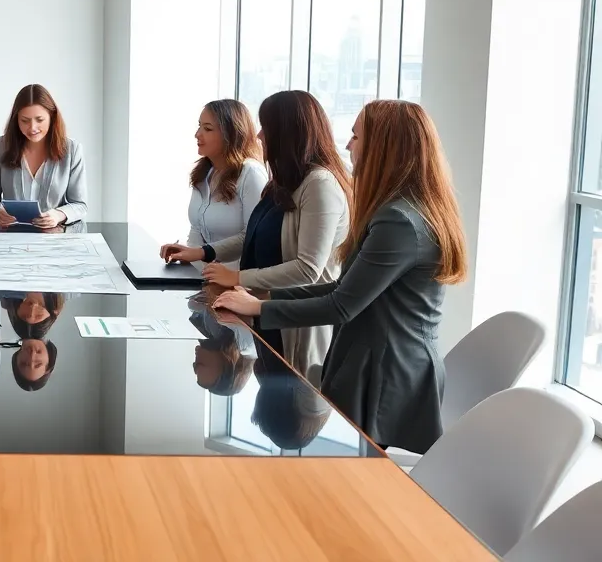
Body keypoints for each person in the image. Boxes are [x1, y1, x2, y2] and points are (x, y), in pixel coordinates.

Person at [215, 99, 468, 454]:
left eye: (356, 136)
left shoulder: (398, 222)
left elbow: (340, 305)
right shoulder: (404, 211)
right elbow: (339, 288)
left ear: (384, 147)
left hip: (386, 375)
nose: (348, 145)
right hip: (380, 364)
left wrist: (259, 308)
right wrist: (260, 302)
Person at [161, 90, 350, 363]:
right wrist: (203, 252)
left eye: (266, 128)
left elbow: (308, 269)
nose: (259, 136)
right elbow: (250, 236)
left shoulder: (320, 185)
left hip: (296, 326)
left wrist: (238, 277)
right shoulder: (283, 182)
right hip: (262, 309)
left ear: (287, 133)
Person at [159, 100, 267, 263]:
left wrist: (200, 253)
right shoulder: (204, 172)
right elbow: (197, 229)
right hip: (204, 273)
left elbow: (253, 235)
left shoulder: (251, 173)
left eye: (208, 129)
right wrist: (186, 254)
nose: (197, 134)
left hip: (237, 276)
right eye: (199, 126)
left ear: (231, 134)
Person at [0, 84, 88, 228]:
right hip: (12, 237)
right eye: (24, 121)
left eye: (40, 120)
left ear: (52, 116)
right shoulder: (2, 146)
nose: (32, 128)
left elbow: (80, 205)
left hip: (54, 237)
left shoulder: (72, 150)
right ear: (16, 120)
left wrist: (58, 215)